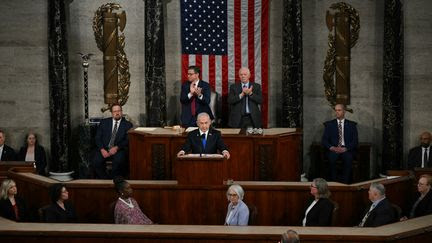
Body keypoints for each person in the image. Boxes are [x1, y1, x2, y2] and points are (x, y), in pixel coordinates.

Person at [92, 104, 133, 179]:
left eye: (119, 111)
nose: (117, 113)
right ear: (111, 113)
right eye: (115, 111)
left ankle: (114, 180)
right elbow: (97, 138)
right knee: (96, 161)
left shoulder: (128, 125)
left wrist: (116, 147)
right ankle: (106, 180)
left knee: (119, 161)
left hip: (119, 149)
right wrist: (102, 149)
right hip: (104, 148)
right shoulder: (104, 122)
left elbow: (127, 140)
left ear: (121, 112)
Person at [321, 104, 358, 183]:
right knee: (331, 159)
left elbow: (355, 141)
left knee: (348, 159)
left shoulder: (352, 125)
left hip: (346, 149)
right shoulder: (329, 125)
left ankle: (345, 182)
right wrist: (332, 148)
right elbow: (324, 140)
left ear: (344, 111)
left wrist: (345, 148)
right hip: (334, 149)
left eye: (339, 110)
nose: (337, 112)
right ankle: (334, 182)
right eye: (336, 110)